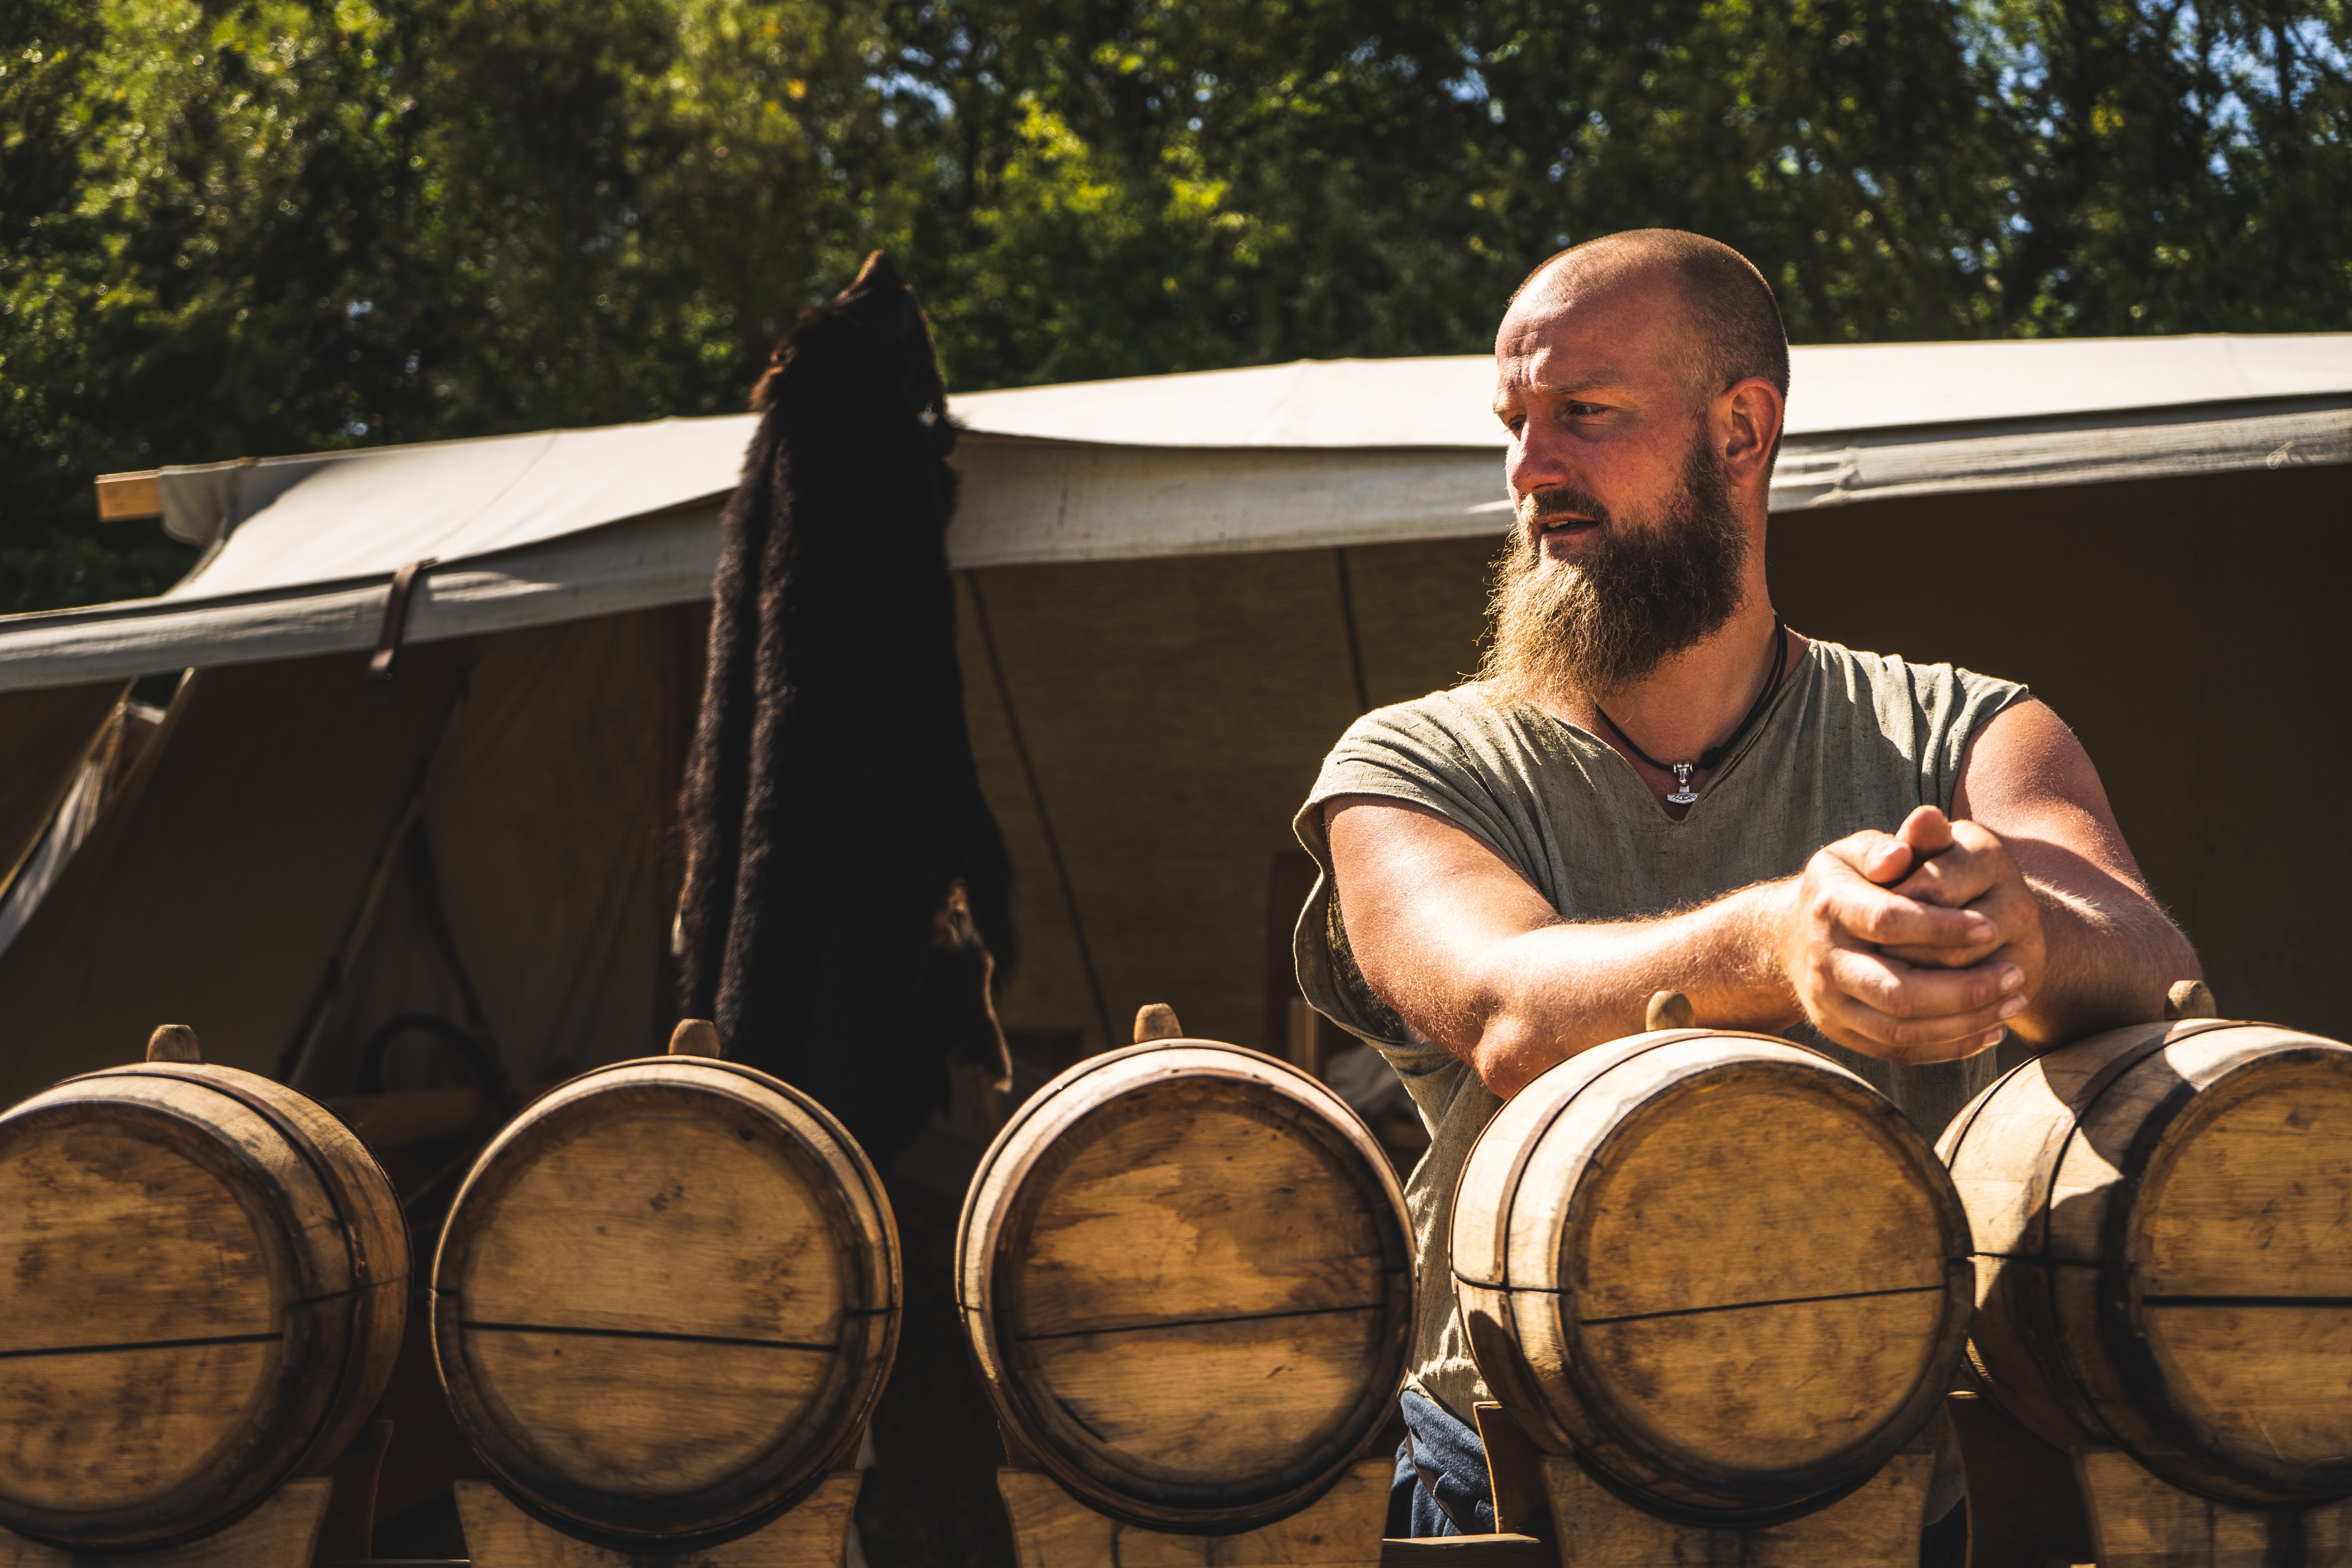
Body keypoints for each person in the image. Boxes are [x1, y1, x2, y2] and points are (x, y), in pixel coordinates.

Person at [1289, 229, 2200, 1545]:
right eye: (1516, 422)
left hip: (1884, 1490)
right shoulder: (1412, 761)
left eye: (1583, 416)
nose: (1530, 468)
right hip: (1513, 1495)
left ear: (1742, 430)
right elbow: (1502, 1007)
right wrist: (1789, 943)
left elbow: (2151, 956)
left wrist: (2016, 929)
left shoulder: (1965, 732)